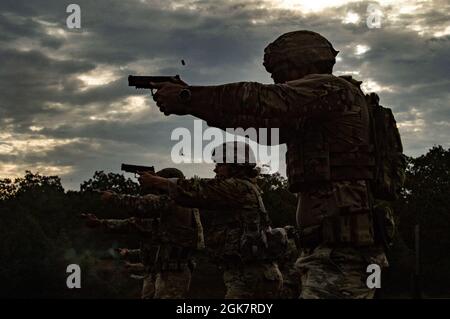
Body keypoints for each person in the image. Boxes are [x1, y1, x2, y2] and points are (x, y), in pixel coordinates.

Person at [148, 30, 403, 298]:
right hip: (328, 251)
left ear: (301, 61)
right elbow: (258, 125)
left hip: (342, 253)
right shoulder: (318, 108)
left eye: (279, 71)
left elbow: (260, 99)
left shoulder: (331, 89)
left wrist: (189, 96)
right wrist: (194, 105)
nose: (277, 80)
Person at [138, 142, 284, 299]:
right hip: (252, 273)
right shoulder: (244, 187)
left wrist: (157, 182)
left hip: (250, 276)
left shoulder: (237, 187)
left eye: (220, 164)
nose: (215, 169)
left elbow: (197, 190)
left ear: (235, 165)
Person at [82, 168, 203, 299]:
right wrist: (101, 223)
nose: (156, 187)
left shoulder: (173, 201)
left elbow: (140, 206)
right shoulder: (177, 205)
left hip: (174, 272)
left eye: (159, 182)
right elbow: (136, 224)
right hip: (170, 271)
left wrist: (112, 198)